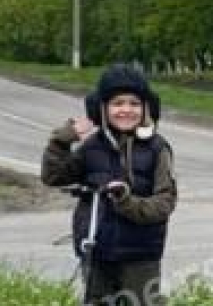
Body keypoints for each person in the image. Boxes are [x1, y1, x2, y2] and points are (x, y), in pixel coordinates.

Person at [42, 63, 177, 305]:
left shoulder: (158, 149)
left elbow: (164, 203)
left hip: (140, 254)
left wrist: (126, 202)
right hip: (97, 251)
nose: (126, 110)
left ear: (147, 108)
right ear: (101, 109)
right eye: (117, 104)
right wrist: (61, 142)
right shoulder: (91, 147)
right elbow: (55, 176)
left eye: (134, 103)